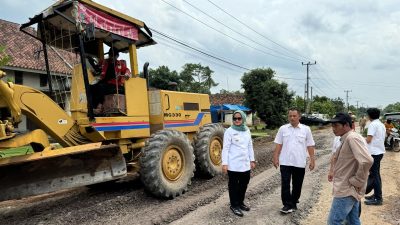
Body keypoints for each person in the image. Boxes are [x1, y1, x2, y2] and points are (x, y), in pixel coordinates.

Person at [327, 112, 373, 225]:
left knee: (333, 221)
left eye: (336, 125)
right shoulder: (346, 138)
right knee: (352, 221)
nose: (333, 128)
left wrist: (358, 181)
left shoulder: (352, 138)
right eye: (332, 125)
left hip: (347, 189)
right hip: (348, 188)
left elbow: (367, 161)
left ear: (346, 125)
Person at [273, 107, 315, 214]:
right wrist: (275, 157)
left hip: (299, 162)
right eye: (290, 116)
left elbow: (310, 145)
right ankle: (287, 205)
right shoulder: (283, 129)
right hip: (285, 161)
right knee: (285, 183)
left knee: (297, 184)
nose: (292, 118)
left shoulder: (306, 129)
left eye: (294, 116)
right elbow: (278, 144)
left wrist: (312, 160)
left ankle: (293, 202)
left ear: (299, 117)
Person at [222, 110, 256, 217]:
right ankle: (234, 205)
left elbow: (250, 146)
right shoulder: (229, 131)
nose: (237, 120)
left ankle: (240, 203)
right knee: (233, 186)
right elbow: (226, 148)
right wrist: (225, 163)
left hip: (245, 164)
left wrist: (252, 160)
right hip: (233, 164)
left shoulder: (247, 130)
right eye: (235, 118)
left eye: (239, 118)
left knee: (244, 184)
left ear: (243, 119)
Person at [90, 47, 131, 114]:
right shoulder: (104, 62)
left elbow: (127, 70)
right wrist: (94, 71)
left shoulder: (120, 64)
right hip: (104, 81)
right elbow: (97, 68)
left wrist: (127, 74)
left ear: (117, 56)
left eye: (113, 56)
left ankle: (99, 106)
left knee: (101, 87)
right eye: (110, 55)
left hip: (115, 84)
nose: (111, 57)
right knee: (91, 87)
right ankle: (92, 107)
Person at [364, 108, 386, 205]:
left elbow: (368, 140)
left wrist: (360, 140)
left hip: (374, 153)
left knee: (375, 175)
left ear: (369, 116)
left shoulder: (372, 125)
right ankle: (377, 195)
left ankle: (378, 198)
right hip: (379, 152)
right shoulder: (381, 124)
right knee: (376, 174)